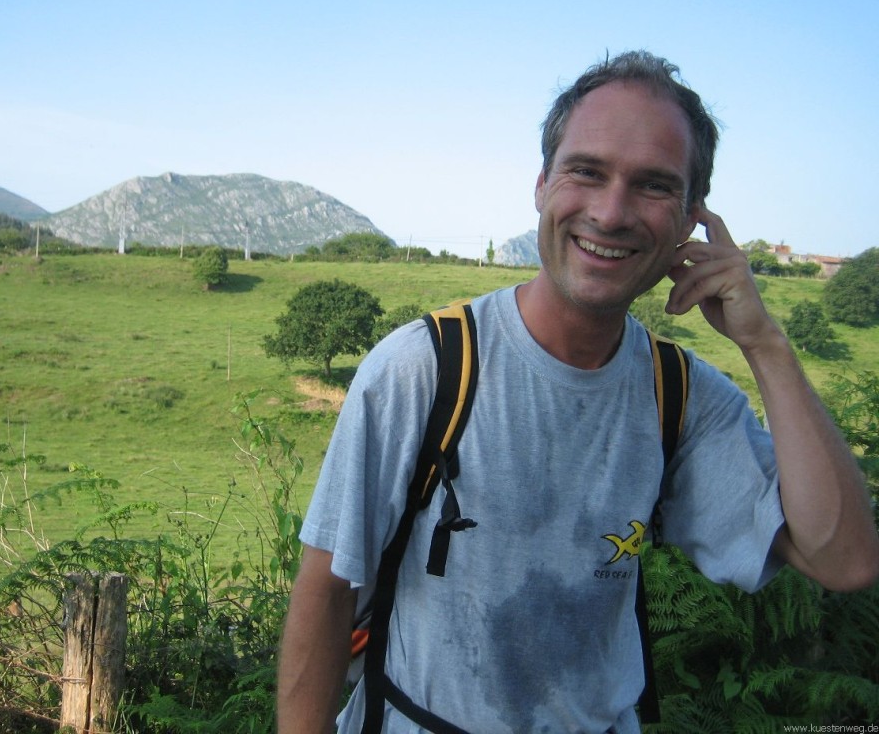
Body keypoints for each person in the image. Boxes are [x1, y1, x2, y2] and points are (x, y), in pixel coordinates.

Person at [276, 51, 879, 733]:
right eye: (586, 171)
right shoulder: (426, 368)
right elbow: (326, 591)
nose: (612, 212)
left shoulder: (680, 397)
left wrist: (765, 344)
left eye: (653, 186)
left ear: (688, 224)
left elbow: (845, 558)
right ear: (542, 185)